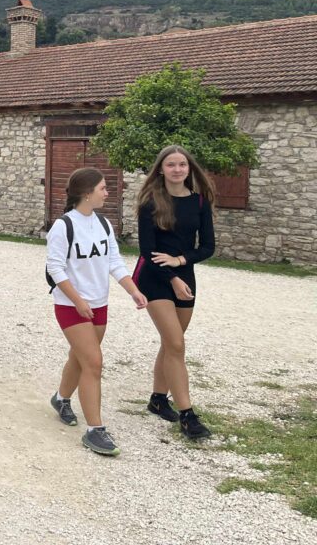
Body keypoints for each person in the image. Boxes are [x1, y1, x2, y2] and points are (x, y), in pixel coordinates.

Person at [47, 168, 148, 456]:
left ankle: (61, 398)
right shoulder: (63, 226)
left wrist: (133, 290)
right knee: (93, 362)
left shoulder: (103, 224)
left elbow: (114, 262)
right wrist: (78, 300)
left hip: (99, 304)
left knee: (80, 358)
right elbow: (56, 268)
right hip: (71, 306)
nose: (107, 192)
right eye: (103, 188)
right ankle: (95, 430)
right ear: (86, 193)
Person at [134, 145, 216, 440]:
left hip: (185, 276)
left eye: (182, 164)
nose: (177, 169)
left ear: (189, 169)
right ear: (161, 169)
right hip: (155, 277)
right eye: (171, 164)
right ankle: (187, 416)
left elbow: (208, 247)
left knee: (172, 343)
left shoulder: (199, 202)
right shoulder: (150, 202)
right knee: (177, 344)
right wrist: (172, 278)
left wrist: (180, 262)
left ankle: (158, 399)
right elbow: (147, 251)